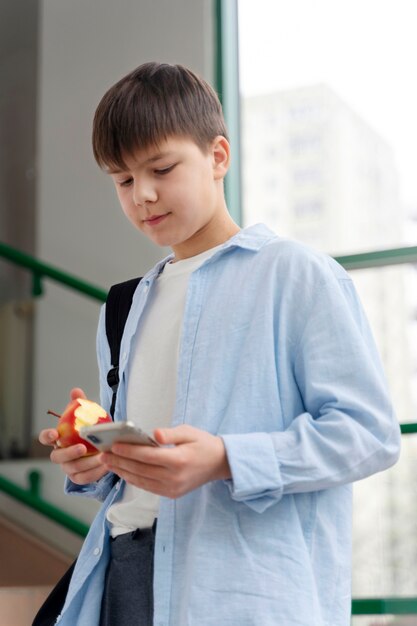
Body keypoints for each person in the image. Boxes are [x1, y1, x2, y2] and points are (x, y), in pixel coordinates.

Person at [39, 62, 401, 626]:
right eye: (124, 180)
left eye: (161, 168)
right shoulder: (125, 306)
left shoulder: (297, 276)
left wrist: (227, 459)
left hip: (241, 590)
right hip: (123, 572)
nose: (144, 195)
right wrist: (96, 461)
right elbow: (147, 459)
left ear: (217, 157)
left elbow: (369, 433)